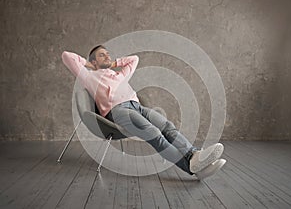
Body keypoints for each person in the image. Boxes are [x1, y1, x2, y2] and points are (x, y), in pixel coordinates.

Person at [61, 44, 226, 180]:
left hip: (138, 106)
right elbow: (67, 56)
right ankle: (189, 166)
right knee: (153, 133)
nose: (107, 57)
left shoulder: (119, 75)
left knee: (167, 126)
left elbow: (134, 60)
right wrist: (90, 65)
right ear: (93, 61)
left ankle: (195, 156)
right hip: (118, 111)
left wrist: (113, 63)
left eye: (108, 54)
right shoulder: (89, 76)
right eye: (102, 55)